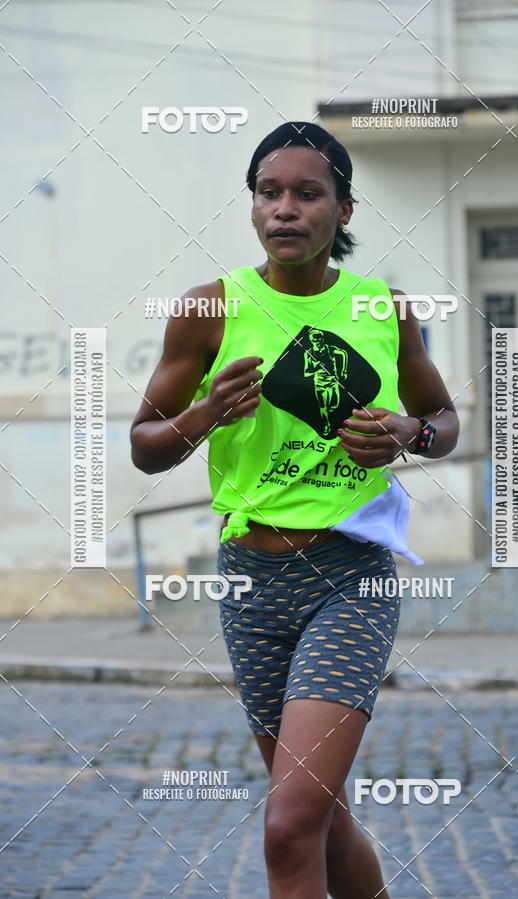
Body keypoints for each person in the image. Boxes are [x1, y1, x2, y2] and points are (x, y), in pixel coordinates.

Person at [130, 121, 459, 899]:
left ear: (343, 210)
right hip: (248, 580)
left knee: (287, 820)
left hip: (350, 578)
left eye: (307, 193)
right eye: (268, 192)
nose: (284, 208)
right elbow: (146, 445)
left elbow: (442, 418)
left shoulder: (385, 309)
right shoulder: (210, 310)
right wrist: (205, 412)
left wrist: (408, 434)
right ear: (252, 207)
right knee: (324, 814)